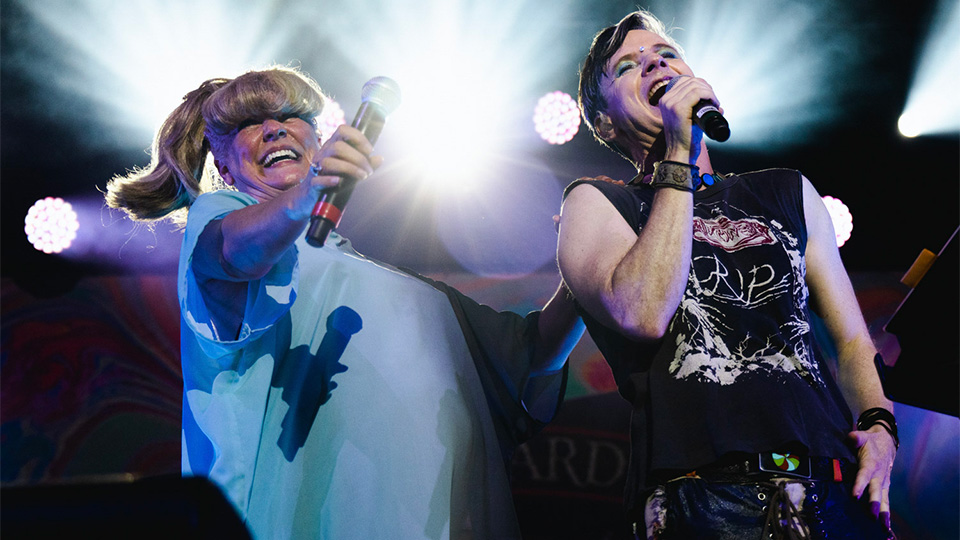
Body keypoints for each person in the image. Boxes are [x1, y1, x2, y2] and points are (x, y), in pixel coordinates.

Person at [105, 65, 584, 539]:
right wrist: (311, 189)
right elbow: (235, 253)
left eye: (292, 116)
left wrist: (589, 264)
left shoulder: (411, 294)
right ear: (224, 165)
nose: (274, 128)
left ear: (315, 138)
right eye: (248, 124)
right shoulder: (223, 222)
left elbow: (534, 355)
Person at [556, 10, 898, 540]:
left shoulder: (786, 190)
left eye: (666, 55)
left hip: (834, 488)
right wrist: (676, 151)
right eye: (628, 65)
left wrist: (880, 425)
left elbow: (852, 340)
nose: (653, 62)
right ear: (604, 123)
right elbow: (642, 313)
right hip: (704, 499)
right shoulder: (599, 204)